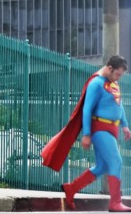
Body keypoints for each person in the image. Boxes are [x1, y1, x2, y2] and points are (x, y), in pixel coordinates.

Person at [41, 55, 131, 212]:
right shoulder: (96, 84)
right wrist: (87, 134)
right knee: (116, 161)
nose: (118, 78)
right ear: (109, 68)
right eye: (117, 74)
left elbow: (119, 103)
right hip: (100, 129)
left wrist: (125, 125)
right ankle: (115, 202)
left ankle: (71, 188)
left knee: (103, 166)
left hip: (112, 129)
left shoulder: (113, 82)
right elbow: (87, 109)